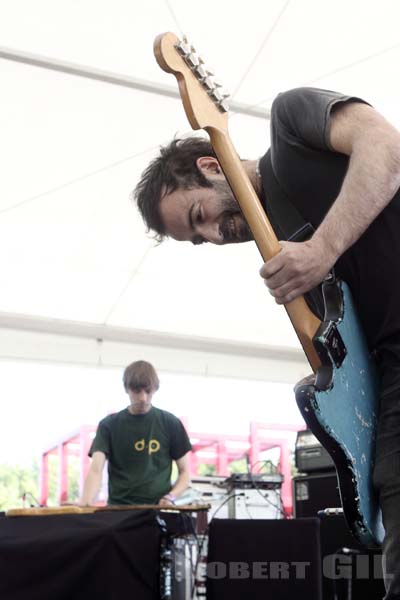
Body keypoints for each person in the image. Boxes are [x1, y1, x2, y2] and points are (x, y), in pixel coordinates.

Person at [133, 87, 400, 599]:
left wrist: (323, 248)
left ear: (213, 166)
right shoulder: (288, 258)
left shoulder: (292, 121)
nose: (211, 236)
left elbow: (385, 145)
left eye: (199, 216)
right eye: (197, 239)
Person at [79, 360, 191, 507]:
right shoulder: (109, 425)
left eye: (148, 391)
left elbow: (185, 472)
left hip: (158, 510)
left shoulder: (170, 423)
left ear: (155, 389)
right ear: (126, 389)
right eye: (137, 391)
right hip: (119, 510)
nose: (143, 398)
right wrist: (85, 502)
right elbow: (95, 469)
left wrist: (171, 496)